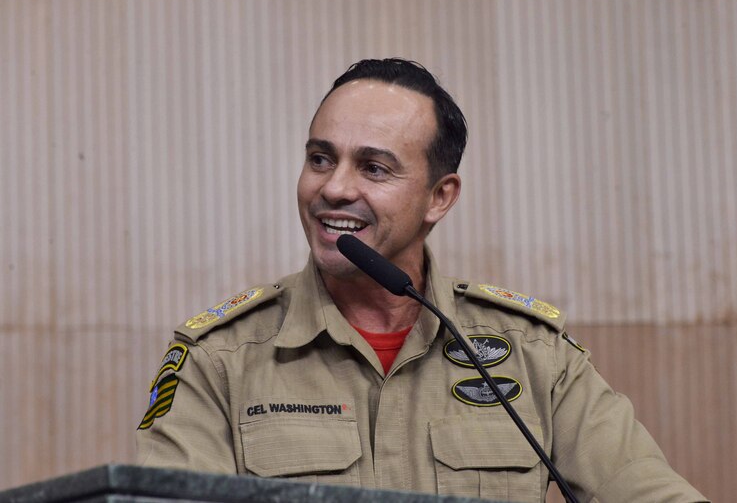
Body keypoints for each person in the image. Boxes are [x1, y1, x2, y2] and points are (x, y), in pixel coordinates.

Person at [137, 58, 708, 502]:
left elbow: (648, 491)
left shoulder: (533, 354)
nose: (333, 188)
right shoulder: (220, 359)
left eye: (373, 168)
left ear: (440, 197)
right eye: (320, 159)